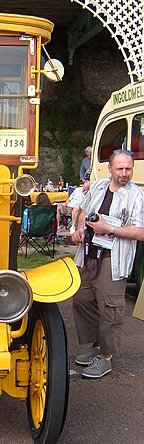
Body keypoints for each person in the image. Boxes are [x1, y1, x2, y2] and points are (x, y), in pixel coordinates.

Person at [71, 149, 144, 379]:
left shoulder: (136, 195)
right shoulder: (99, 186)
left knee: (110, 306)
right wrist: (80, 228)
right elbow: (82, 212)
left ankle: (105, 357)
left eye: (128, 168)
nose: (124, 173)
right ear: (110, 168)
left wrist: (109, 229)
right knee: (82, 299)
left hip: (113, 259)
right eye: (120, 168)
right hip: (88, 253)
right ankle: (96, 346)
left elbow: (140, 232)